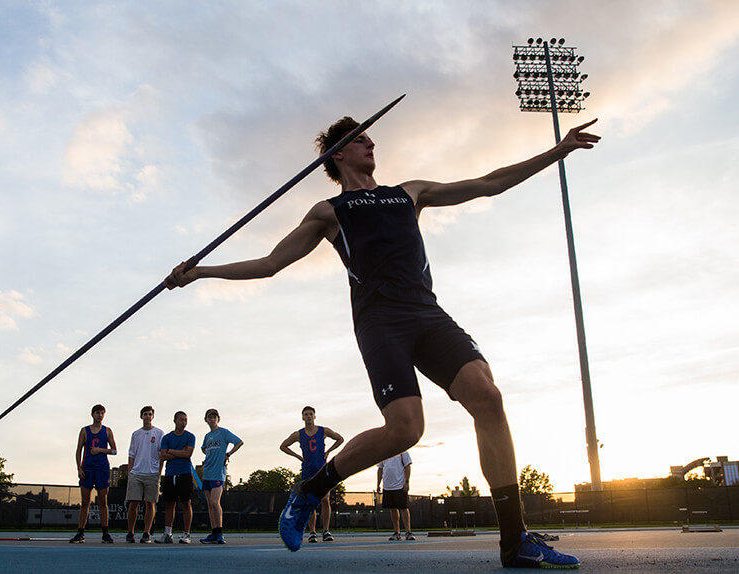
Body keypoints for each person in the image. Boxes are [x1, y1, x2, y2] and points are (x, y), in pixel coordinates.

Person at [165, 112, 600, 568]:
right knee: (407, 429)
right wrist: (199, 272)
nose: (372, 145)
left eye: (371, 139)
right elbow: (271, 263)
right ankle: (312, 488)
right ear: (338, 156)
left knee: (488, 397)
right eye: (361, 141)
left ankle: (515, 540)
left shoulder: (409, 193)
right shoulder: (328, 213)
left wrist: (558, 150)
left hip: (427, 313)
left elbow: (489, 183)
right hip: (380, 322)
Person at [279, 406, 343, 543]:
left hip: (322, 468)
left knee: (325, 499)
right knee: (310, 501)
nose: (308, 416)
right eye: (306, 414)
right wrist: (297, 456)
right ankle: (312, 532)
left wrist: (329, 451)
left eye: (310, 414)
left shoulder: (323, 431)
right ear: (302, 417)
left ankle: (326, 530)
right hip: (308, 470)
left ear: (315, 416)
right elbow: (283, 446)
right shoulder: (298, 434)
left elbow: (340, 439)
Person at [70, 404, 117, 544]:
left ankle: (105, 533)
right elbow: (78, 450)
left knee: (103, 501)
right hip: (88, 468)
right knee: (85, 501)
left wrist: (100, 450)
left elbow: (114, 451)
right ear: (92, 414)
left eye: (102, 413)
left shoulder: (107, 431)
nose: (100, 415)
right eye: (97, 413)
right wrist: (79, 468)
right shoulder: (84, 431)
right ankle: (80, 532)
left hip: (102, 469)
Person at [198, 408, 243, 544]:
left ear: (218, 419)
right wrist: (209, 455)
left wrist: (228, 454)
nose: (212, 419)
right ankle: (214, 532)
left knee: (214, 502)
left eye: (214, 417)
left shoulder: (223, 432)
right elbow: (203, 448)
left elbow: (239, 442)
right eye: (210, 417)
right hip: (207, 472)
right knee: (210, 505)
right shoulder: (207, 436)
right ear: (206, 420)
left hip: (218, 473)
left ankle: (220, 533)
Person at [125, 405, 164, 543]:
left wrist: (158, 472)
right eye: (145, 414)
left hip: (152, 474)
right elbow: (131, 454)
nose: (147, 416)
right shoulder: (136, 434)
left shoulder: (159, 433)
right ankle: (130, 532)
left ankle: (146, 532)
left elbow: (161, 455)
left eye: (149, 414)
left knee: (150, 504)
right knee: (133, 504)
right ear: (141, 416)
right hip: (136, 473)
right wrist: (131, 472)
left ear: (152, 416)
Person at [156, 410, 196, 544]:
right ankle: (168, 534)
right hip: (169, 474)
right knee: (169, 504)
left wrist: (171, 451)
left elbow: (188, 454)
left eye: (185, 420)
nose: (184, 422)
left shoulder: (190, 436)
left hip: (185, 473)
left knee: (186, 503)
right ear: (175, 420)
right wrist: (180, 452)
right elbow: (162, 455)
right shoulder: (167, 438)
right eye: (181, 420)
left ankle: (186, 534)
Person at [377, 451, 414, 541]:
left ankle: (408, 532)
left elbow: (407, 466)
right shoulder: (383, 453)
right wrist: (378, 484)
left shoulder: (402, 451)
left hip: (400, 485)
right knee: (393, 509)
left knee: (403, 508)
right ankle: (396, 532)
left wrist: (407, 482)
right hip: (387, 486)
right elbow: (380, 469)